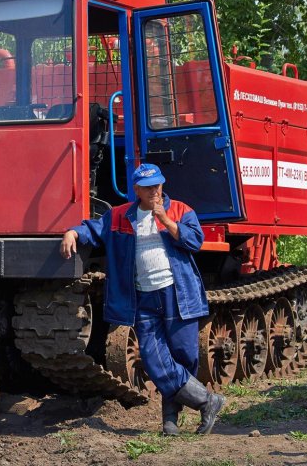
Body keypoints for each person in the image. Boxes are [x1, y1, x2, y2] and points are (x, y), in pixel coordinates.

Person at [60, 163, 225, 436]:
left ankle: (170, 422)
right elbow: (93, 228)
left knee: (183, 358)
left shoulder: (181, 210)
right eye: (148, 187)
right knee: (153, 359)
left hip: (177, 294)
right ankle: (208, 401)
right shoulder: (119, 216)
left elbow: (195, 242)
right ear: (136, 189)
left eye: (158, 185)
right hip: (144, 297)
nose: (154, 191)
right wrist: (73, 232)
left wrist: (166, 220)